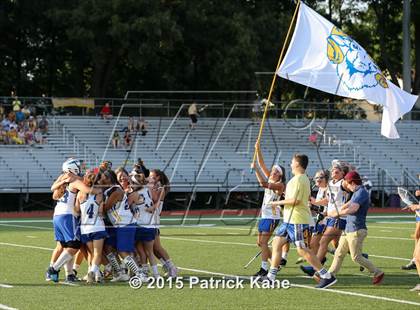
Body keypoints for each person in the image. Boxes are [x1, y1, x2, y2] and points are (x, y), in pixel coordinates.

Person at [267, 154, 336, 288]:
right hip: (289, 220)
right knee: (276, 243)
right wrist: (283, 198)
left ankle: (326, 276)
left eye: (292, 162)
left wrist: (276, 202)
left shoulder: (299, 179)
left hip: (298, 220)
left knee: (302, 250)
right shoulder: (297, 179)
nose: (290, 164)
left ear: (298, 164)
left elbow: (296, 201)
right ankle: (271, 276)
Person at [317, 171, 384, 288]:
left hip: (356, 230)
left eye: (347, 184)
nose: (346, 187)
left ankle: (378, 272)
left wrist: (336, 213)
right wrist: (335, 209)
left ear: (352, 183)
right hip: (348, 229)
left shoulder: (361, 192)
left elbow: (353, 208)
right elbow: (348, 204)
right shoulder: (357, 192)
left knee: (356, 257)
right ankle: (330, 276)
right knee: (338, 253)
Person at [46, 158, 102, 283]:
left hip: (57, 215)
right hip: (68, 215)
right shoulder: (74, 180)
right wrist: (99, 190)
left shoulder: (62, 179)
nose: (80, 170)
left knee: (66, 245)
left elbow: (53, 193)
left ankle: (69, 273)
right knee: (74, 245)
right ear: (73, 169)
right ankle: (53, 268)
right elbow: (88, 190)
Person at [251, 143, 288, 277]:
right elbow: (261, 163)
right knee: (260, 243)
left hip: (272, 216)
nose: (273, 171)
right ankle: (275, 264)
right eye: (273, 170)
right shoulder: (271, 178)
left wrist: (255, 170)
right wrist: (258, 149)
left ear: (281, 175)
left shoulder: (279, 185)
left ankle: (264, 269)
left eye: (277, 171)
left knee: (264, 243)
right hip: (265, 215)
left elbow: (263, 184)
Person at [74, 171, 107, 284]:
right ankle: (93, 272)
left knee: (91, 253)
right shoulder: (99, 194)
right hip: (97, 226)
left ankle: (95, 274)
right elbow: (101, 211)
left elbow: (77, 210)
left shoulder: (80, 194)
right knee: (98, 253)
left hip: (85, 228)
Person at [149, 169, 177, 277]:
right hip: (150, 220)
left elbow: (154, 200)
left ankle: (172, 267)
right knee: (154, 249)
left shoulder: (161, 189)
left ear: (158, 178)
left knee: (157, 247)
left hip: (153, 220)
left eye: (152, 176)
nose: (150, 178)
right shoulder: (154, 187)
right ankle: (167, 266)